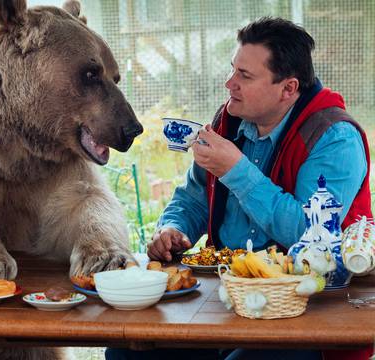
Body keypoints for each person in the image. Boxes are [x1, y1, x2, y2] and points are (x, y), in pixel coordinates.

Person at [109, 17, 372, 360]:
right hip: (225, 299)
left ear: (288, 89)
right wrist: (173, 227)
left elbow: (312, 236)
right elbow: (192, 199)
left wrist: (237, 171)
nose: (229, 83)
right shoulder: (228, 121)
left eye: (244, 76)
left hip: (307, 309)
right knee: (127, 352)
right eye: (233, 70)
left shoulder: (334, 137)